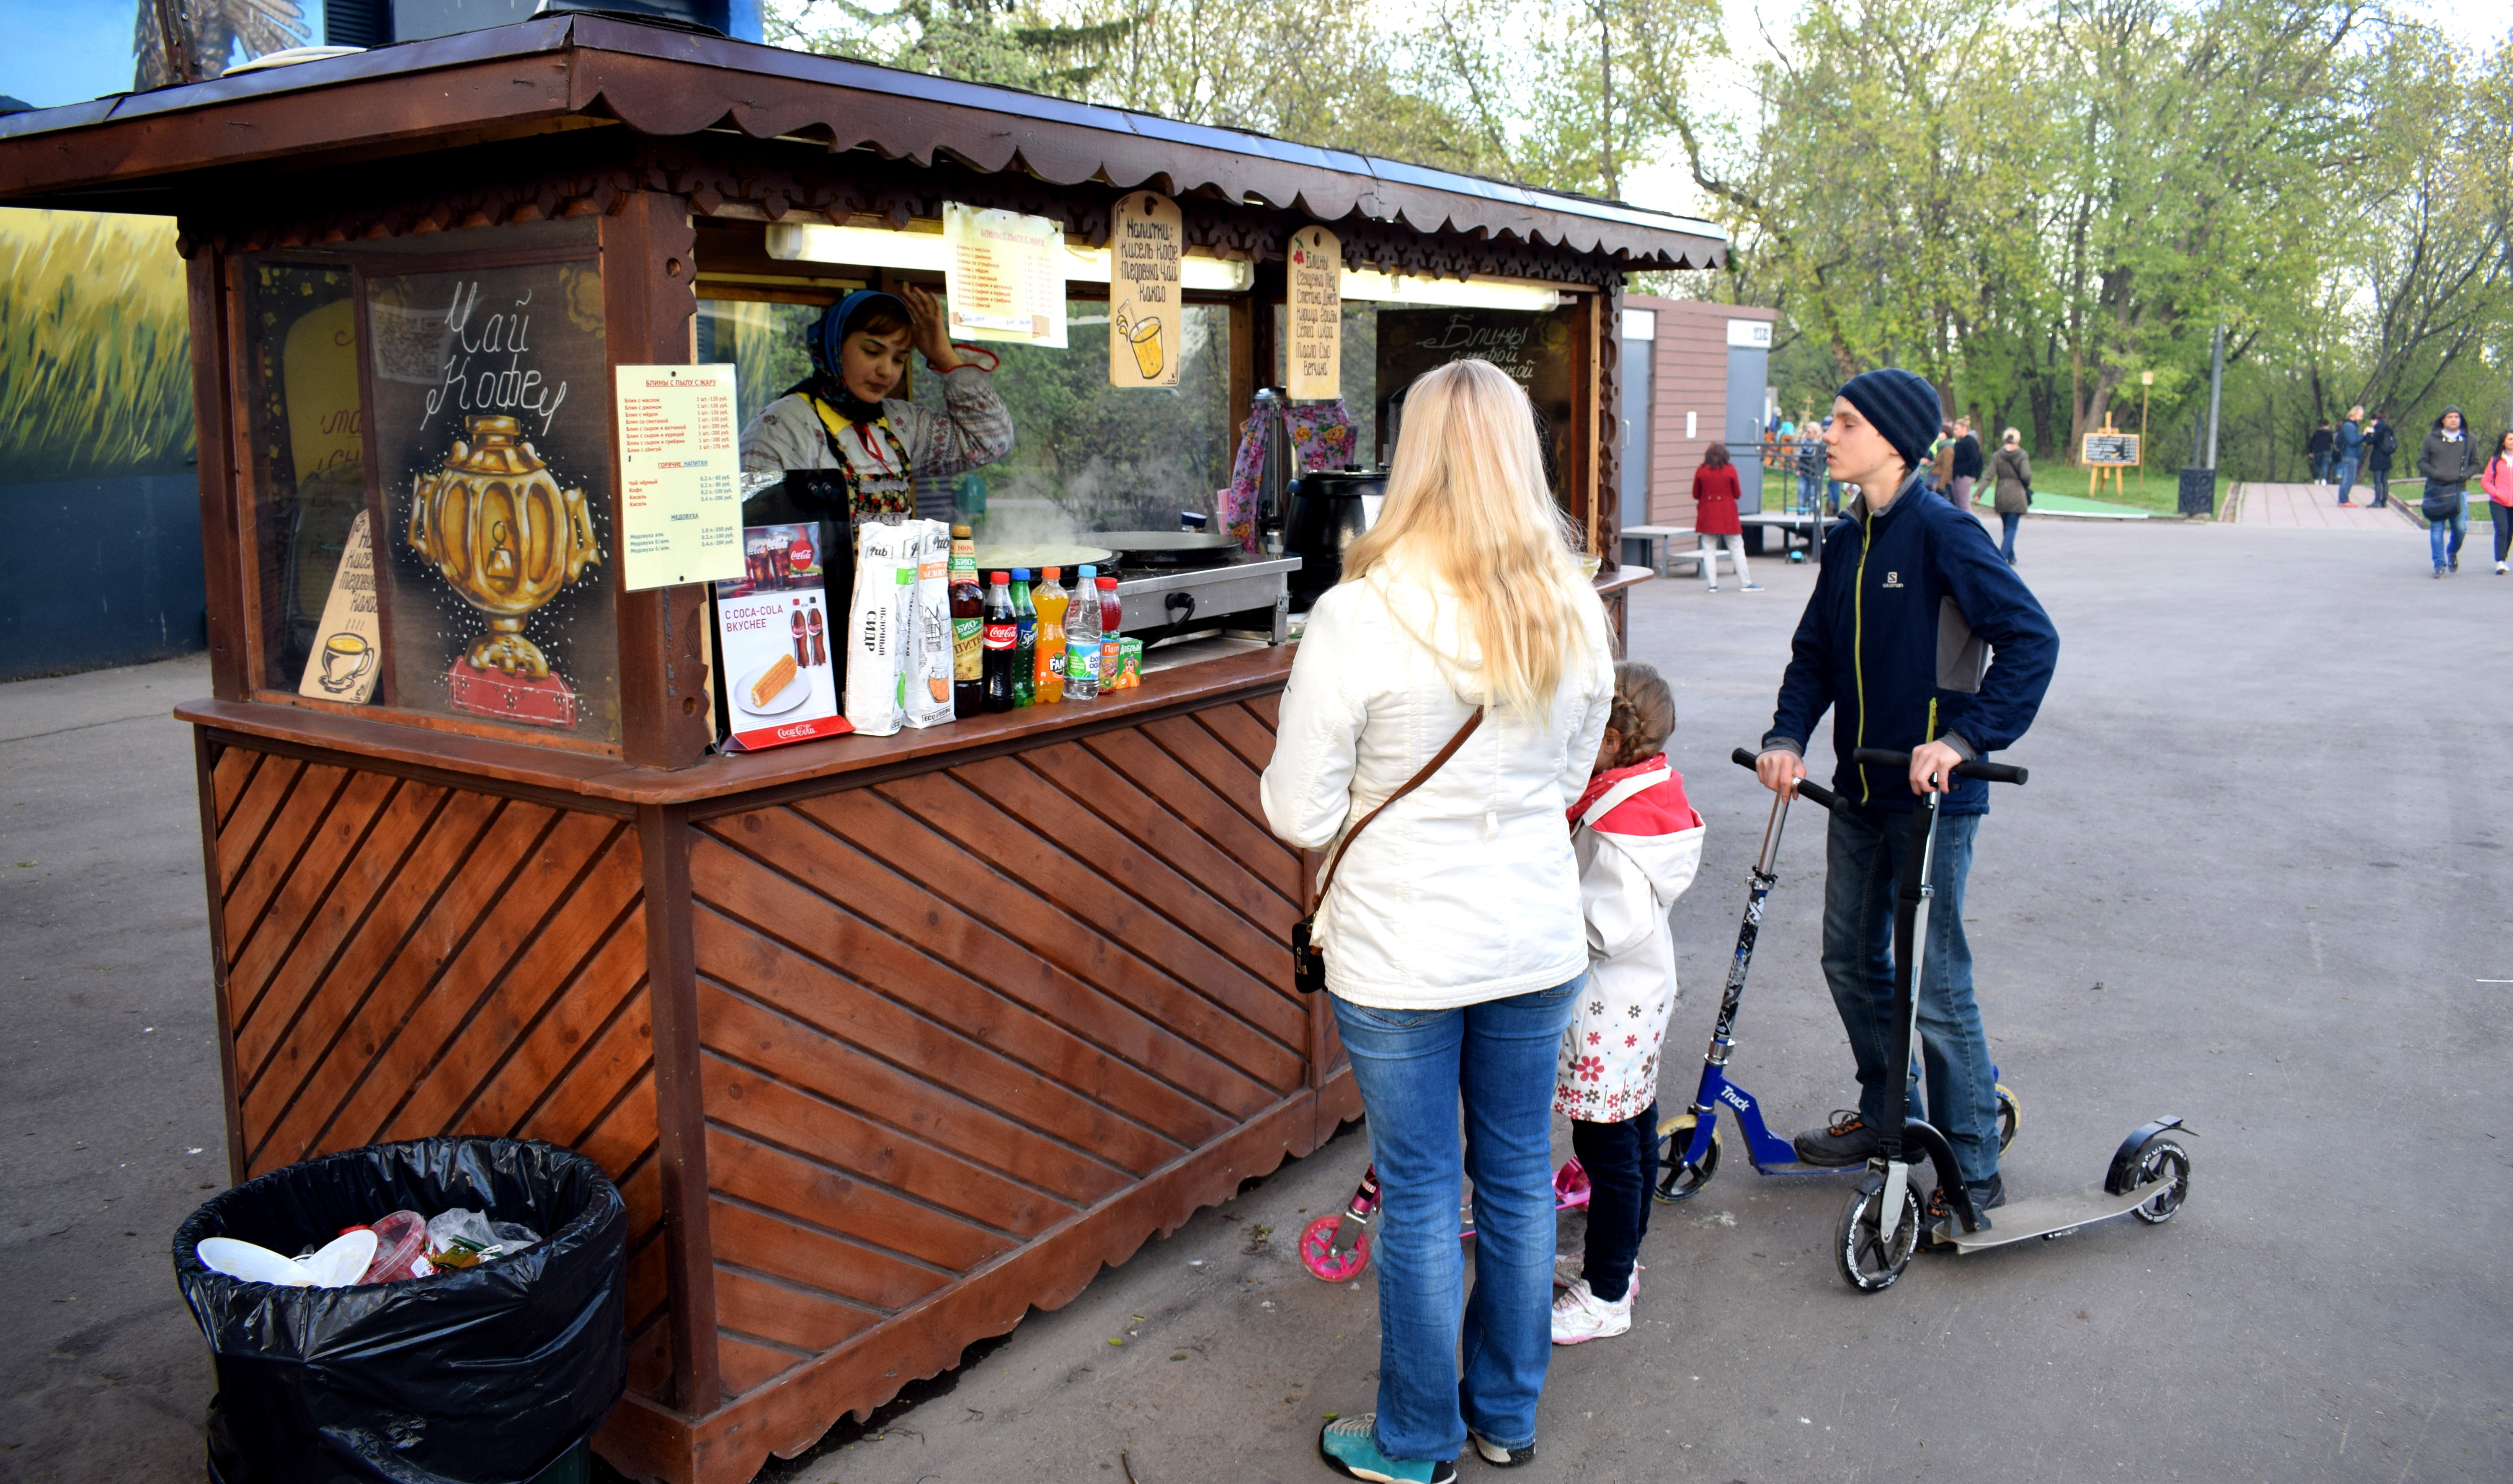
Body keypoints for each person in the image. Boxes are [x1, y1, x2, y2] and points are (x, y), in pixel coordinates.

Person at [1262, 357, 1614, 1483]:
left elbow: (1300, 811)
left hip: (1400, 952)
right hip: (1535, 936)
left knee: (1419, 1192)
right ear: (1522, 457)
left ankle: (1413, 1443)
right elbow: (1569, 777)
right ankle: (1505, 1418)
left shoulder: (1358, 614)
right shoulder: (1571, 605)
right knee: (1516, 1181)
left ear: (1413, 456)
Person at [1754, 368, 2059, 1219]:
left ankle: (1969, 1162)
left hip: (1932, 800)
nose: (1828, 433)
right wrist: (1787, 736)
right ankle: (1894, 1114)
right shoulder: (1848, 539)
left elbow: (2032, 641)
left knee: (1933, 980)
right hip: (1857, 789)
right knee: (1851, 958)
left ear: (1889, 438)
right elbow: (1814, 650)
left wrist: (1964, 739)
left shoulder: (1945, 532)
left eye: (1843, 422)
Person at [1549, 661, 1702, 1346]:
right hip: (1641, 999)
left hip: (1611, 1005)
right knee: (1633, 1134)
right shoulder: (1646, 797)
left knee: (1609, 1153)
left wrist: (1548, 921)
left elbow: (1610, 924)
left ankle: (1607, 1293)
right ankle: (1621, 1261)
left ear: (1611, 737)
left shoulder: (1617, 825)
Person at [738, 287, 1013, 526]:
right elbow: (762, 535)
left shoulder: (902, 423)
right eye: (872, 351)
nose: (886, 372)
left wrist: (944, 355)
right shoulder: (783, 426)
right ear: (834, 346)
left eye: (899, 359)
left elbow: (990, 442)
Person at [1690, 442, 1761, 592]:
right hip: (1727, 513)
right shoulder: (1731, 470)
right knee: (1736, 548)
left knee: (1709, 549)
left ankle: (1712, 584)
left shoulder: (1701, 471)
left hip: (1707, 513)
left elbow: (1696, 494)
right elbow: (1737, 494)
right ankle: (1746, 582)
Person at [2417, 405, 2478, 576]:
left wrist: (2465, 475)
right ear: (2443, 420)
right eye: (2450, 417)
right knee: (2437, 529)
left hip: (2459, 490)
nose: (2454, 420)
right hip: (2436, 490)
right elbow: (2422, 462)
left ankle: (2452, 551)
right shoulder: (2431, 439)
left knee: (2460, 528)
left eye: (2457, 417)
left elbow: (2476, 463)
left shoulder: (2469, 440)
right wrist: (2436, 474)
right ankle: (2439, 564)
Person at [1989, 428, 2033, 564]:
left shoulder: (1997, 455)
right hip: (2017, 493)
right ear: (2018, 439)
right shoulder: (2022, 455)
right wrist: (2027, 483)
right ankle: (2002, 557)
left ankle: (2011, 557)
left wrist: (1978, 494)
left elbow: (1989, 475)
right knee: (2012, 528)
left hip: (2001, 493)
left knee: (2006, 527)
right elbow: (2026, 475)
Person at [2482, 429, 2513, 575]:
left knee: (2510, 532)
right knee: (2502, 530)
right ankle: (2500, 562)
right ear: (2504, 442)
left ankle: (2504, 559)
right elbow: (2486, 481)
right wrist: (2497, 493)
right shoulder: (2497, 460)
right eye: (2511, 439)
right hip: (2498, 502)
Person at [2365, 412, 2398, 508]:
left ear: (2375, 421)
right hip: (2387, 458)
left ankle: (2377, 501)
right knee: (2385, 481)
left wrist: (2369, 433)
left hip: (2378, 457)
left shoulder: (2378, 430)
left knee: (2378, 481)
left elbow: (2369, 442)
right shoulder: (2388, 429)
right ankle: (2384, 501)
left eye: (2372, 421)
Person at [1950, 418, 1984, 511]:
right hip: (1956, 475)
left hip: (1964, 475)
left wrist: (1963, 471)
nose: (1955, 432)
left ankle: (1968, 523)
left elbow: (1975, 459)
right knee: (1958, 503)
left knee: (1963, 503)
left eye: (1957, 429)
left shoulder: (1970, 442)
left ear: (1964, 429)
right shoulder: (1959, 442)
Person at [2334, 406, 2365, 507]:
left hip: (2353, 455)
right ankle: (2344, 500)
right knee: (2349, 478)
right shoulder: (2348, 426)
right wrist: (2365, 436)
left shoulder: (2353, 426)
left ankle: (2344, 499)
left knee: (2350, 478)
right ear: (2354, 414)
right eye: (2360, 415)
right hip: (2349, 455)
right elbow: (2353, 441)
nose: (2361, 418)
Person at [1797, 421, 1827, 513]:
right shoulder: (1804, 444)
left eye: (1809, 432)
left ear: (1816, 433)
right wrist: (1799, 469)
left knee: (1813, 496)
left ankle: (1814, 516)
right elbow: (1801, 458)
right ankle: (1801, 516)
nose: (1807, 434)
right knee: (1801, 494)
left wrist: (1820, 472)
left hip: (1815, 473)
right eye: (1806, 431)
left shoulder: (1821, 445)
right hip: (1804, 472)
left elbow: (1824, 461)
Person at [1930, 420, 1956, 494]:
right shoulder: (1941, 446)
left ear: (1947, 434)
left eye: (1941, 433)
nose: (1939, 435)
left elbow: (1947, 468)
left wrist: (1942, 486)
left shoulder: (1948, 448)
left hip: (1939, 480)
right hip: (1935, 477)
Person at [2307, 419, 2335, 485]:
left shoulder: (2317, 432)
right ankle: (2324, 480)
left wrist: (2311, 452)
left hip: (2317, 451)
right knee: (2325, 465)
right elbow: (2333, 442)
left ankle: (2317, 480)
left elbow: (2312, 442)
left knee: (2318, 466)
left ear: (2322, 425)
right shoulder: (2330, 433)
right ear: (2328, 425)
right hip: (2327, 451)